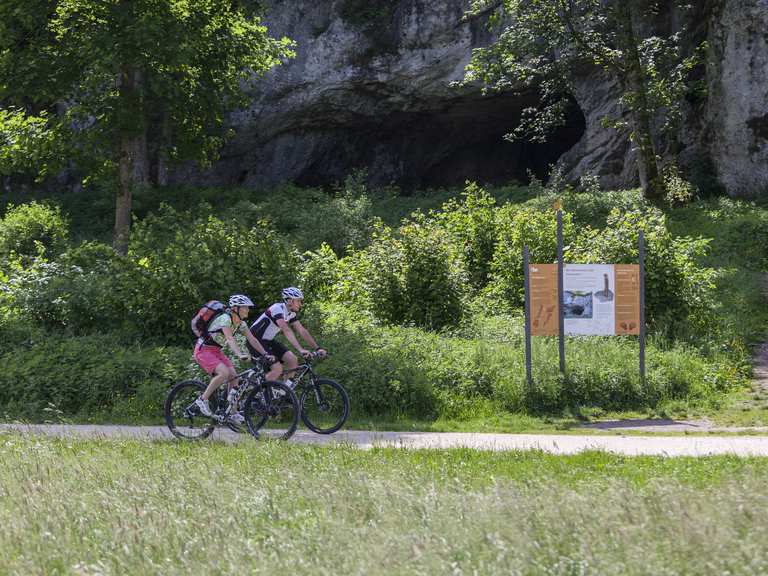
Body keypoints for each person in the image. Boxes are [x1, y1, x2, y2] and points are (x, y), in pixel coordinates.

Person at [194, 294, 274, 424]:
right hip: (203, 349)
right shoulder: (225, 319)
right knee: (223, 373)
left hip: (216, 350)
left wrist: (265, 354)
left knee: (234, 377)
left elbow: (252, 339)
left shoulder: (240, 323)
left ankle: (232, 413)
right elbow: (229, 339)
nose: (248, 310)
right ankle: (202, 400)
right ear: (236, 308)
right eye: (245, 307)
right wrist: (239, 354)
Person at [247, 287, 327, 386]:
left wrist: (317, 348)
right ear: (290, 301)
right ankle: (257, 393)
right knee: (277, 369)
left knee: (293, 360)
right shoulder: (277, 308)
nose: (301, 304)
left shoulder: (291, 313)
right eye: (299, 301)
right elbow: (286, 330)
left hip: (268, 341)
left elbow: (302, 330)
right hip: (255, 340)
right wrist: (300, 349)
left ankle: (283, 393)